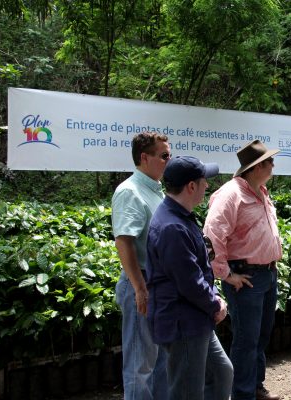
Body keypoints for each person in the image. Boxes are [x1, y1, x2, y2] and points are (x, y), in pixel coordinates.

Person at [146, 156, 233, 400]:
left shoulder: (180, 216)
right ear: (191, 186)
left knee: (221, 373)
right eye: (204, 180)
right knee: (187, 392)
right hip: (184, 323)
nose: (208, 185)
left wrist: (214, 297)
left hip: (196, 317)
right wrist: (215, 304)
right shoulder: (172, 227)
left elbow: (198, 269)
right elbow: (189, 282)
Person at [204, 140, 282, 400]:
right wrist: (226, 274)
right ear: (257, 167)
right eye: (270, 161)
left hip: (266, 274)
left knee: (261, 336)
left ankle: (254, 387)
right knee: (247, 339)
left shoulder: (261, 191)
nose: (273, 165)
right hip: (246, 276)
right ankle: (243, 394)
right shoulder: (231, 194)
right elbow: (212, 235)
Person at [111, 132, 170, 400]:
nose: (169, 161)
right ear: (144, 158)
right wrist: (139, 288)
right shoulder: (130, 191)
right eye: (164, 156)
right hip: (143, 285)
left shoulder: (155, 190)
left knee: (159, 363)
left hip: (156, 284)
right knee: (139, 366)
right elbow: (124, 241)